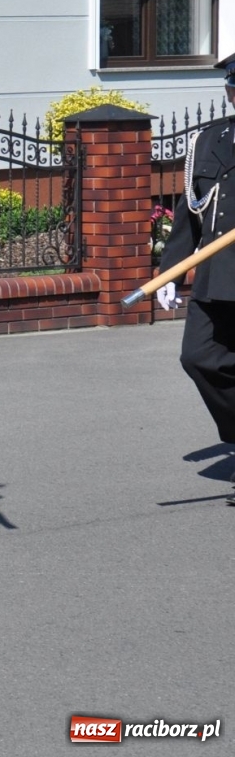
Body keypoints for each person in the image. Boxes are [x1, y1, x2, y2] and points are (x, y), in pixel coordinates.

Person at [156, 52, 235, 503]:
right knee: (198, 357)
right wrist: (171, 272)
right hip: (215, 279)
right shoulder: (209, 140)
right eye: (233, 87)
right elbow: (191, 214)